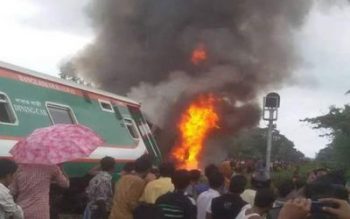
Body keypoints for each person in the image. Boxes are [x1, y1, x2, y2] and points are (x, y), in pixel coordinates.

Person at [109, 154, 152, 219]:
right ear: (148, 170)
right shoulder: (139, 181)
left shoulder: (124, 178)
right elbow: (131, 203)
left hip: (113, 215)